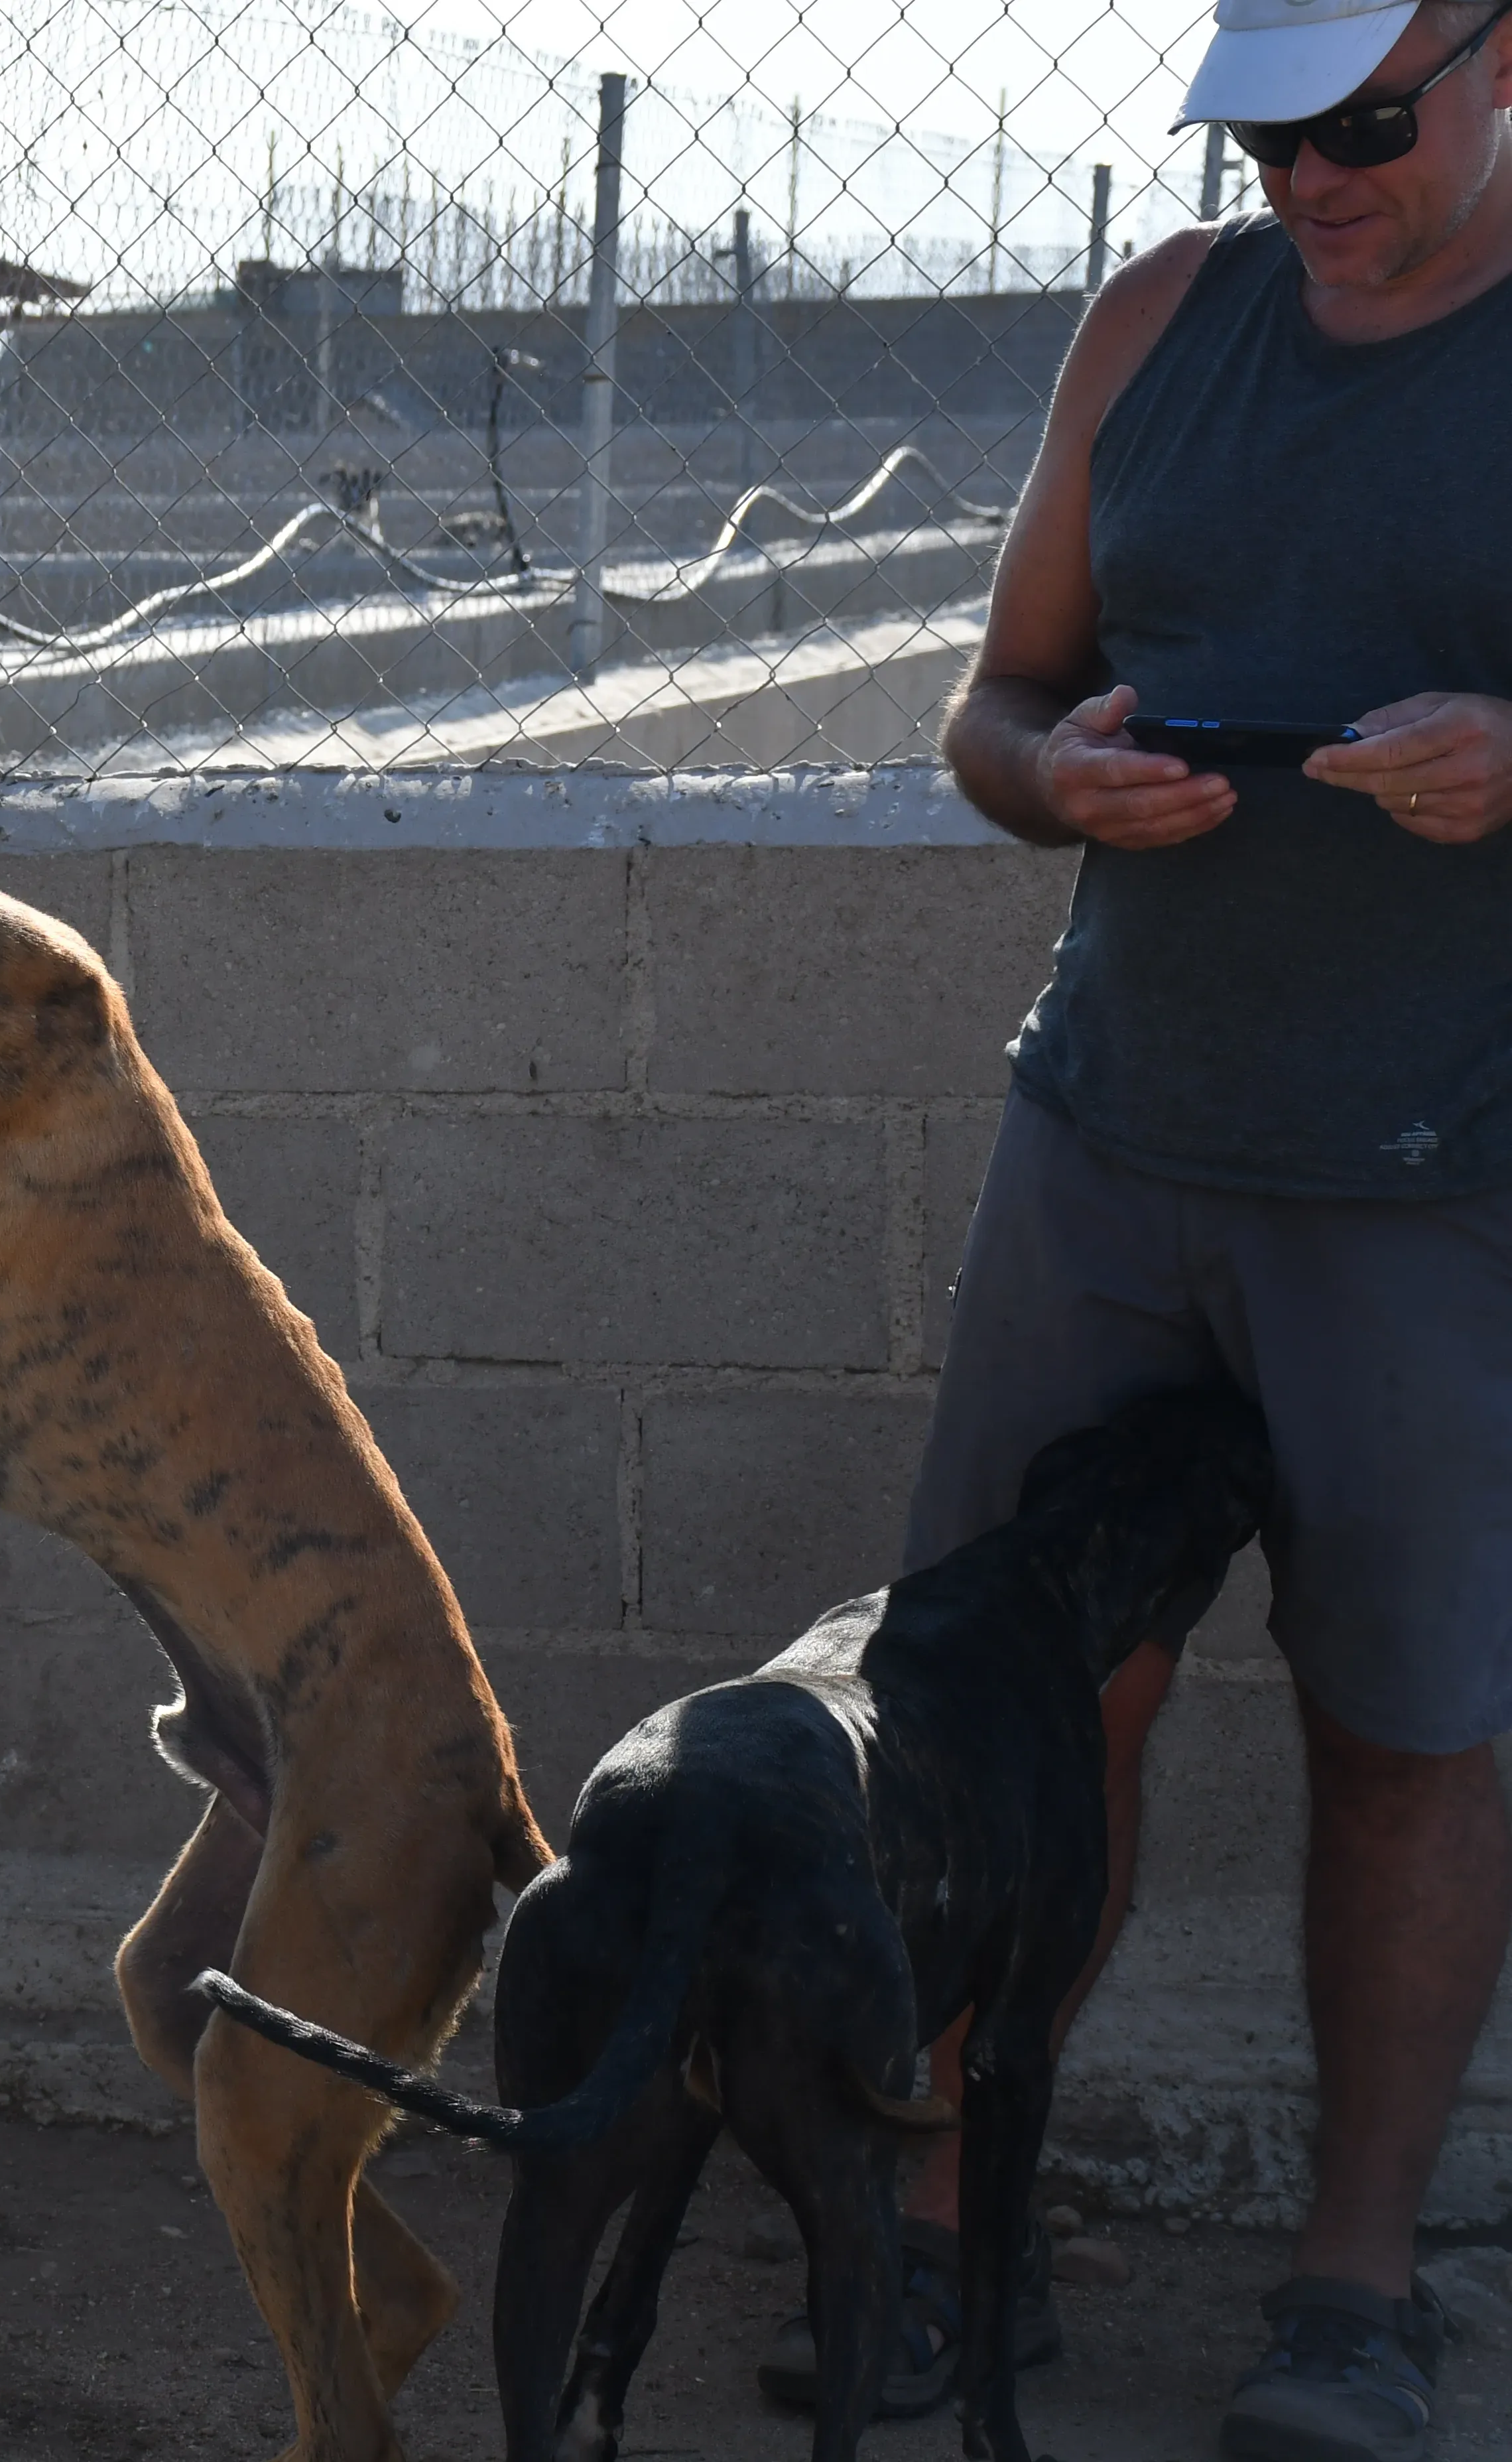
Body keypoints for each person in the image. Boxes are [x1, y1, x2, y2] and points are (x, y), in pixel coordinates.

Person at [759, 3, 1512, 2457]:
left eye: (1368, 126)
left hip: (1438, 1184)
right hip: (1111, 1143)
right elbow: (997, 698)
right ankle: (954, 2224)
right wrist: (1051, 782)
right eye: (1272, 131)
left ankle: (1355, 2290)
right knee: (1010, 1704)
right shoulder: (1164, 321)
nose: (1314, 177)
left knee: (1409, 1733)